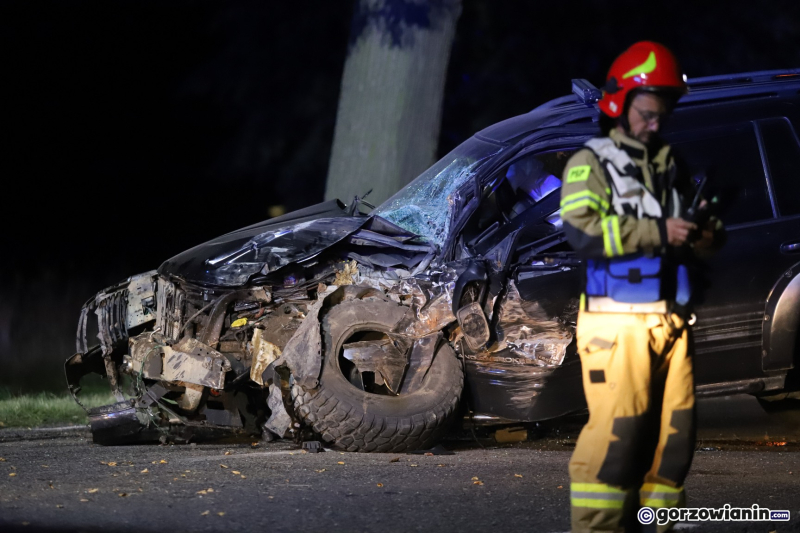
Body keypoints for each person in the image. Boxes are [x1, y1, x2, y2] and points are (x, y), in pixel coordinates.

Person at [560, 41, 723, 532]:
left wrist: (706, 236)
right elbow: (582, 232)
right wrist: (659, 232)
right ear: (620, 104)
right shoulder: (591, 163)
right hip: (616, 325)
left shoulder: (670, 165)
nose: (657, 124)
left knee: (673, 444)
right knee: (617, 441)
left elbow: (690, 238)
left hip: (671, 319)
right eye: (648, 114)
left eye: (662, 115)